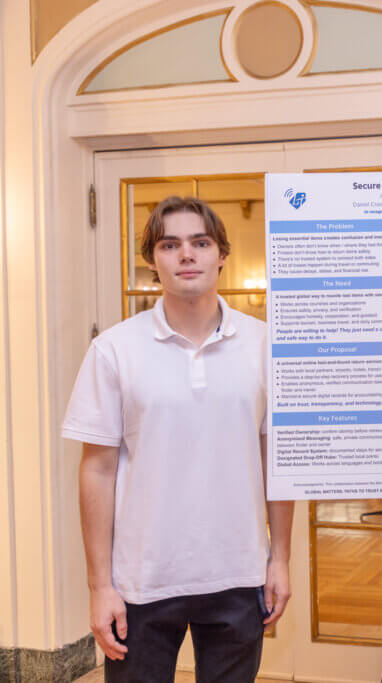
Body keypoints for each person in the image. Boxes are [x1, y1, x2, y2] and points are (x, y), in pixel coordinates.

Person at [63, 196, 294, 682]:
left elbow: (276, 459)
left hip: (238, 573)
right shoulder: (114, 350)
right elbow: (97, 469)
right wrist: (99, 585)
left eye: (200, 242)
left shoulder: (266, 345)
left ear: (221, 254)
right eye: (170, 244)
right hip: (140, 581)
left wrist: (281, 559)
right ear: (154, 260)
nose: (186, 255)